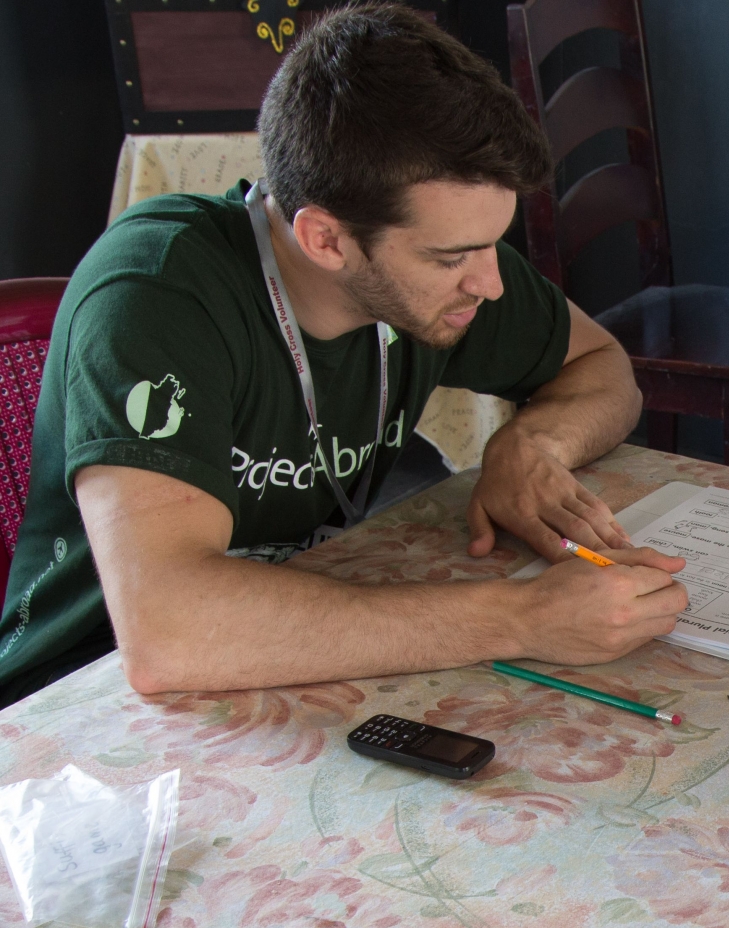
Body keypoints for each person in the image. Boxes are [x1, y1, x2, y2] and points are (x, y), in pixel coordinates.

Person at [0, 3, 689, 707]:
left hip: (289, 660)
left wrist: (534, 441)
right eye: (452, 256)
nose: (489, 282)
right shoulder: (155, 290)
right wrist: (522, 618)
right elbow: (167, 633)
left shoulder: (438, 266)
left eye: (492, 242)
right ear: (326, 239)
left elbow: (603, 368)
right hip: (83, 703)